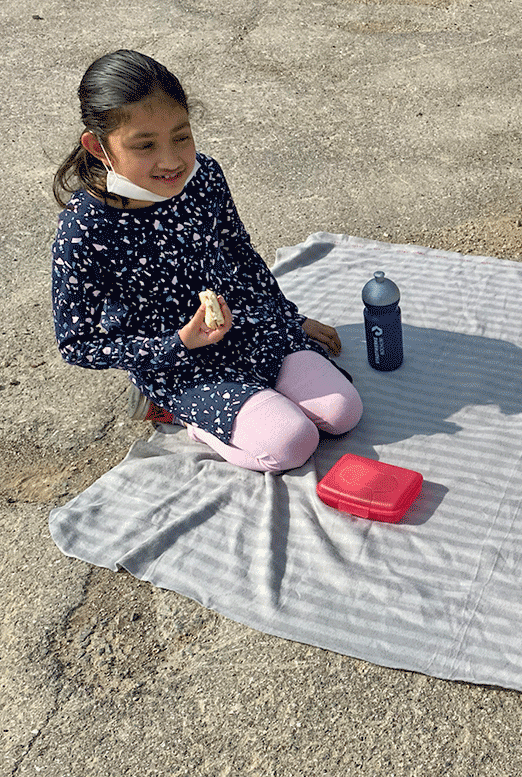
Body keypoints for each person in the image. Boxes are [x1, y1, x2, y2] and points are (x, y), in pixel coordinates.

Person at [51, 50, 362, 472]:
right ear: (98, 146)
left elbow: (240, 253)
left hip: (250, 327)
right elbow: (78, 345)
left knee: (343, 413)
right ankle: (191, 420)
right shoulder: (84, 230)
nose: (172, 160)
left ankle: (258, 405)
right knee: (292, 443)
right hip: (179, 363)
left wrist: (289, 319)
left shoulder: (205, 177)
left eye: (181, 136)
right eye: (145, 145)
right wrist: (178, 342)